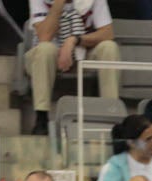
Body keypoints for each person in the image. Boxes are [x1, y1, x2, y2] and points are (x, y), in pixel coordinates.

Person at [25, 0, 119, 135]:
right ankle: (41, 117)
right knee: (45, 49)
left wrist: (74, 40)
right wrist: (59, 3)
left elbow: (107, 33)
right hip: (48, 55)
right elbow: (44, 36)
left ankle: (111, 113)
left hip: (82, 51)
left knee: (109, 47)